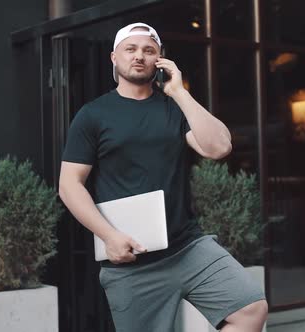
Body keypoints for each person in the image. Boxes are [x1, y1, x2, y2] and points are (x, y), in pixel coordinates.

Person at [58, 22, 268, 332]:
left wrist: (180, 93)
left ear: (159, 60)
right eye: (130, 49)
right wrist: (108, 236)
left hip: (189, 247)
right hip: (131, 264)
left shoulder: (174, 108)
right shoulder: (93, 115)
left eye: (149, 50)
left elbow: (220, 147)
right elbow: (69, 184)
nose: (139, 56)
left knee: (251, 310)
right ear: (114, 58)